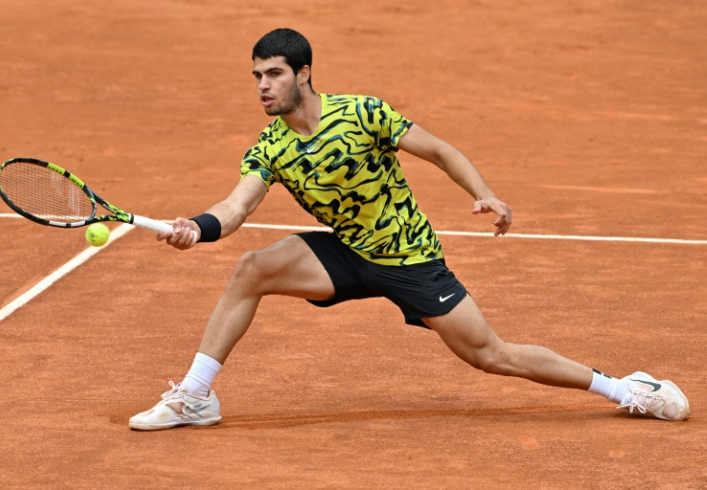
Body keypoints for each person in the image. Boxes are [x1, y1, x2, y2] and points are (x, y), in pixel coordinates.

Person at [128, 28, 689, 431]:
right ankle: (195, 398)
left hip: (410, 259)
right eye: (256, 76)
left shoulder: (362, 113)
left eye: (273, 73)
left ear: (303, 73)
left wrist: (482, 193)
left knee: (490, 355)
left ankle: (626, 389)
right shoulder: (270, 147)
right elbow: (236, 207)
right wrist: (197, 230)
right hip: (346, 253)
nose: (262, 86)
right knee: (251, 268)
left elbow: (439, 149)